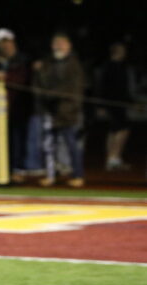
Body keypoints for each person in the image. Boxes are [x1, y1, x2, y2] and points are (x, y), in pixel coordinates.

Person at [33, 33, 86, 187]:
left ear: (69, 46)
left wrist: (52, 95)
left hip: (69, 111)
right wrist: (39, 71)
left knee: (72, 144)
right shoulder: (47, 64)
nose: (58, 46)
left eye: (62, 43)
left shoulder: (74, 65)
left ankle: (78, 175)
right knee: (49, 145)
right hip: (51, 111)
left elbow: (74, 89)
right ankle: (50, 175)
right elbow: (40, 85)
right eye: (56, 43)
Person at [0, 28, 32, 183]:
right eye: (1, 43)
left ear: (12, 42)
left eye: (7, 42)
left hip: (19, 107)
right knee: (4, 141)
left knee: (19, 141)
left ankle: (18, 170)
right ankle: (5, 172)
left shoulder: (23, 60)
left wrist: (5, 76)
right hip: (0, 111)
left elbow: (23, 79)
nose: (5, 46)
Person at [94, 42, 136, 171]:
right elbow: (101, 87)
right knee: (120, 130)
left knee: (115, 130)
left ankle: (113, 159)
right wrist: (101, 105)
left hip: (118, 104)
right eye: (122, 50)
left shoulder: (120, 67)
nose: (124, 53)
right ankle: (113, 159)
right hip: (113, 104)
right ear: (117, 51)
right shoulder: (109, 67)